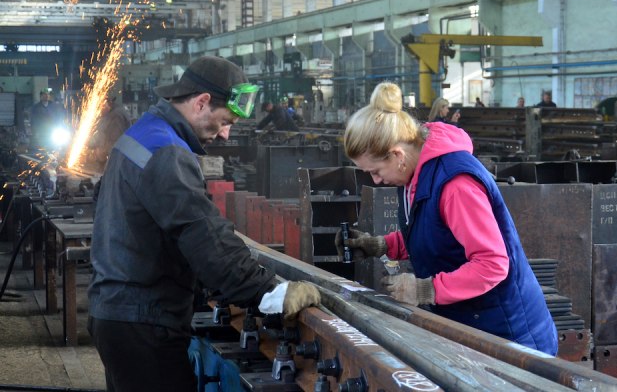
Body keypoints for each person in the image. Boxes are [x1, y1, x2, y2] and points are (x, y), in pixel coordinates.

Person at [88, 56, 320, 391]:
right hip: (143, 323)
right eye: (224, 121)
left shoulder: (143, 134)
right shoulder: (166, 151)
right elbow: (202, 232)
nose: (225, 134)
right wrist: (268, 292)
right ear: (201, 103)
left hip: (119, 313)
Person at [336, 82, 558, 354]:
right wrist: (381, 245)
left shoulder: (455, 185)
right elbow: (435, 233)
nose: (376, 180)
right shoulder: (415, 175)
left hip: (509, 336)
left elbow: (492, 264)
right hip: (472, 325)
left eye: (376, 171)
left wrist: (424, 290)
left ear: (397, 155)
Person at [85, 96, 132, 173]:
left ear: (108, 104)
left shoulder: (116, 116)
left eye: (100, 107)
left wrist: (98, 150)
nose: (99, 111)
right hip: (114, 159)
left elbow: (113, 142)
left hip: (117, 161)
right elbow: (101, 132)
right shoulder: (110, 114)